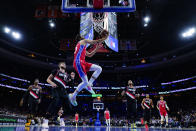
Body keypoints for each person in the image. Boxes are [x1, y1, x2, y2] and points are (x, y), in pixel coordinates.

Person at [69, 30, 109, 106]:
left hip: (83, 62)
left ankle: (89, 84)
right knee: (84, 82)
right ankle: (73, 96)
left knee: (99, 68)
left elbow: (90, 55)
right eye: (83, 36)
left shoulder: (82, 46)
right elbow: (94, 41)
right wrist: (105, 38)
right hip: (78, 62)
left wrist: (96, 48)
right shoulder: (83, 41)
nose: (84, 37)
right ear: (81, 38)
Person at [42, 62, 72, 128]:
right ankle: (46, 120)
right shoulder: (56, 71)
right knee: (55, 101)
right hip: (56, 89)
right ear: (59, 65)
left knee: (68, 106)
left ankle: (61, 120)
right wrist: (52, 83)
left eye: (65, 64)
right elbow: (48, 79)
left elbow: (70, 84)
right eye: (62, 64)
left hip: (63, 91)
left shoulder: (67, 75)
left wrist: (72, 78)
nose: (64, 64)